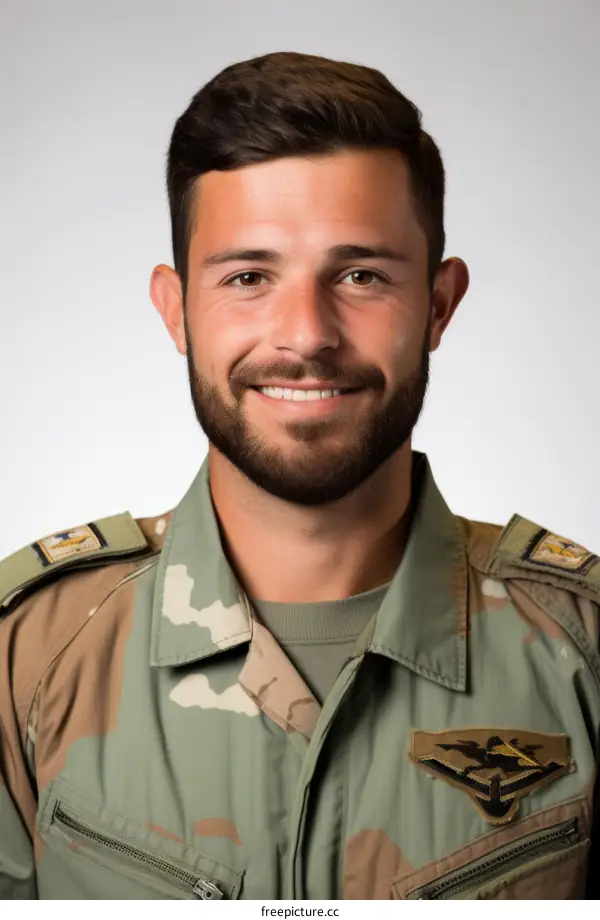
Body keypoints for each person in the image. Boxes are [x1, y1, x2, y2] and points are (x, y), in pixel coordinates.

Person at [0, 51, 598, 902]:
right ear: (176, 310)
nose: (306, 334)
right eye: (249, 277)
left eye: (360, 276)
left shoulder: (584, 655)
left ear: (438, 305)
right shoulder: (26, 655)